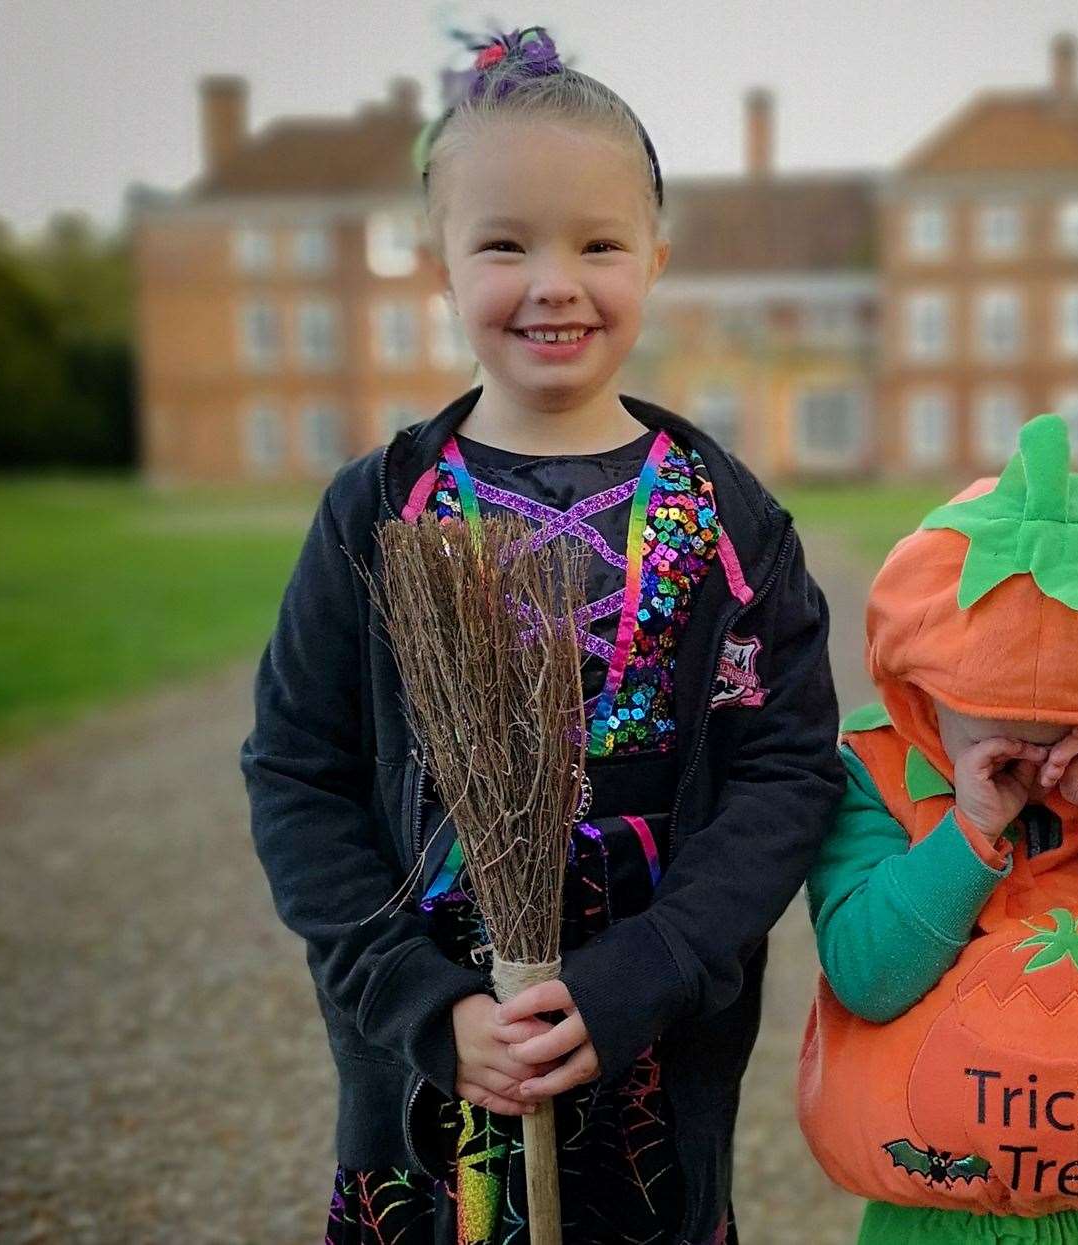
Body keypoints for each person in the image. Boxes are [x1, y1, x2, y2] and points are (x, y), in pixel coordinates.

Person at [240, 28, 842, 1244]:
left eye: (597, 243)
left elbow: (786, 771)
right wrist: (417, 1001)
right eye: (504, 243)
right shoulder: (381, 512)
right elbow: (295, 771)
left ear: (658, 258)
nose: (553, 281)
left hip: (652, 1046)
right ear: (441, 267)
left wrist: (653, 969)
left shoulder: (729, 517)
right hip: (433, 1049)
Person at [798, 415, 1078, 1244]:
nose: (1043, 771)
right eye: (1001, 735)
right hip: (934, 1222)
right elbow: (866, 976)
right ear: (921, 696)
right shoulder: (875, 776)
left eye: (1076, 732)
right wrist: (968, 831)